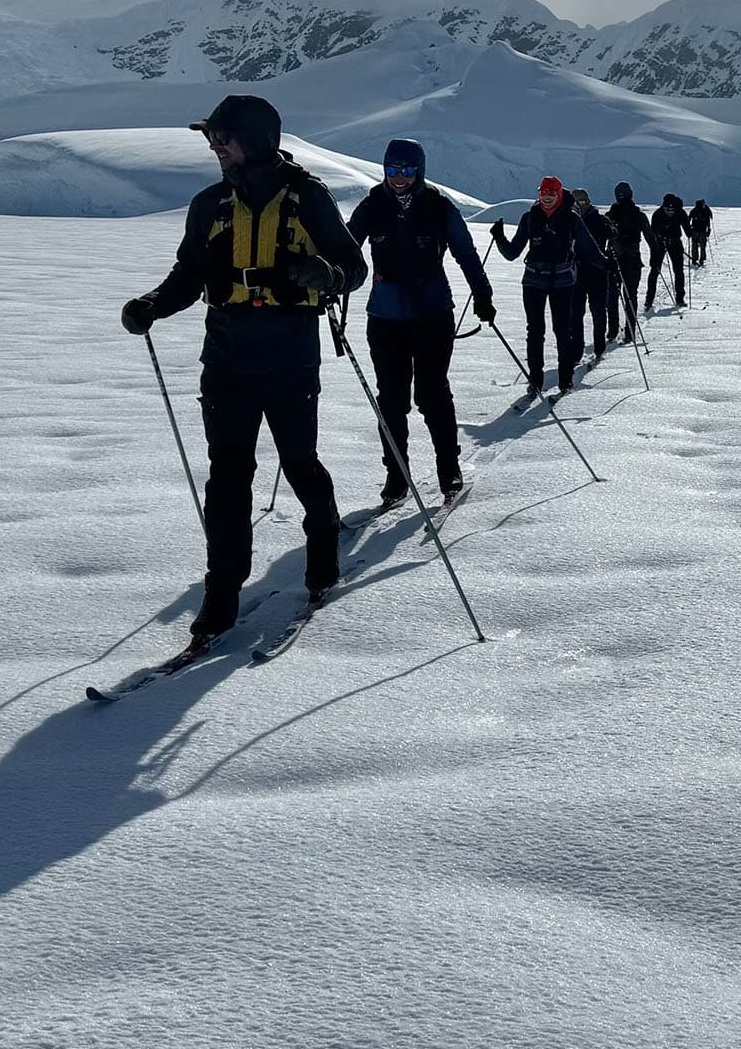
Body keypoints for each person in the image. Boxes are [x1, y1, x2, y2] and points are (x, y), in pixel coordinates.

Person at [120, 94, 367, 655]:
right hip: (226, 354)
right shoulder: (208, 204)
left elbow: (355, 268)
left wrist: (326, 272)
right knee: (227, 476)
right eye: (212, 139)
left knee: (299, 461)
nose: (214, 148)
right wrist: (154, 304)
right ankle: (221, 595)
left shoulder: (308, 198)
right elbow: (189, 274)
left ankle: (323, 556)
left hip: (289, 351)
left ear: (253, 140)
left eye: (222, 139)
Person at [346, 138, 494, 508]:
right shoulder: (372, 206)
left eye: (406, 171)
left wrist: (483, 294)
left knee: (432, 395)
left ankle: (449, 470)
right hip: (385, 317)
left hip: (432, 315)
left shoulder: (439, 207)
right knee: (391, 402)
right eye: (392, 170)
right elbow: (346, 248)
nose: (398, 178)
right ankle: (396, 478)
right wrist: (328, 281)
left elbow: (465, 253)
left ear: (419, 171)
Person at [492, 177, 604, 395]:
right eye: (543, 191)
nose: (547, 196)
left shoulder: (571, 219)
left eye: (552, 192)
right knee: (535, 331)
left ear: (559, 194)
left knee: (562, 330)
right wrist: (499, 238)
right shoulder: (530, 218)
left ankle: (565, 380)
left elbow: (589, 249)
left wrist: (606, 263)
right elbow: (512, 252)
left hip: (563, 281)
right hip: (533, 280)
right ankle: (536, 380)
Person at [571, 188, 617, 360]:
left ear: (588, 202)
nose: (580, 205)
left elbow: (613, 233)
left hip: (595, 272)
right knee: (577, 313)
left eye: (582, 202)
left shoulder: (599, 220)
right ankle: (578, 349)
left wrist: (610, 227)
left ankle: (598, 347)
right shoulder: (571, 221)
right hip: (579, 273)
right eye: (577, 203)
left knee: (596, 311)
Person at [606, 182, 650, 341]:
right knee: (630, 295)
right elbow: (650, 238)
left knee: (612, 295)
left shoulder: (610, 215)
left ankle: (612, 331)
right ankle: (629, 332)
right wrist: (655, 258)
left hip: (614, 259)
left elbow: (599, 238)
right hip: (632, 260)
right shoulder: (638, 215)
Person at [646, 191, 688, 309]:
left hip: (675, 243)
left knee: (678, 271)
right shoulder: (657, 214)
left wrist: (691, 233)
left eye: (672, 210)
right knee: (655, 270)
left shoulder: (681, 213)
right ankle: (649, 300)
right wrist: (659, 237)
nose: (670, 212)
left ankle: (680, 298)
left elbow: (687, 229)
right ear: (663, 207)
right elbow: (652, 231)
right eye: (667, 210)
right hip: (660, 244)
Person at [687, 198, 713, 267]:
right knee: (702, 246)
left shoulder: (693, 210)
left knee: (694, 245)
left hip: (694, 231)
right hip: (703, 231)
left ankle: (694, 259)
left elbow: (688, 220)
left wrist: (688, 230)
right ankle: (702, 259)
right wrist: (708, 231)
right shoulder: (705, 211)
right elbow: (708, 222)